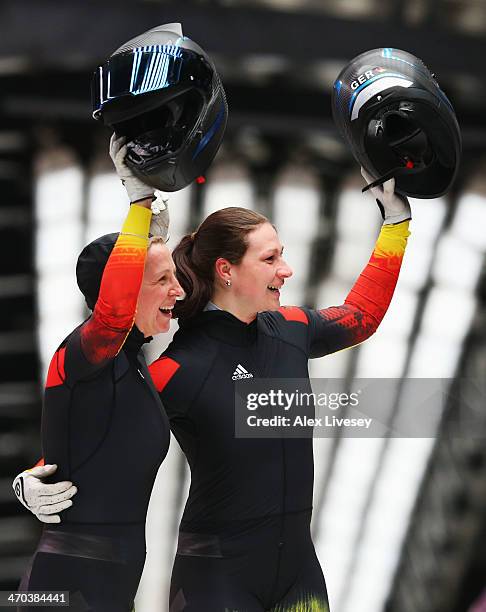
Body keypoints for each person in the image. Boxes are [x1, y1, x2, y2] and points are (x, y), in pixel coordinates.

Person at [16, 171, 411, 611]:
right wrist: (33, 477)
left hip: (299, 572)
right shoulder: (176, 369)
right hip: (216, 578)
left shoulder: (293, 329)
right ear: (226, 270)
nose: (287, 269)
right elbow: (101, 436)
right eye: (270, 259)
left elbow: (361, 316)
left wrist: (396, 224)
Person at [13, 135, 183, 612]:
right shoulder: (85, 352)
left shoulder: (133, 364)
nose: (179, 291)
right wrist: (137, 202)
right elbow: (113, 315)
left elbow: (82, 452)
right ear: (123, 291)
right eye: (163, 281)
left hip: (107, 590)